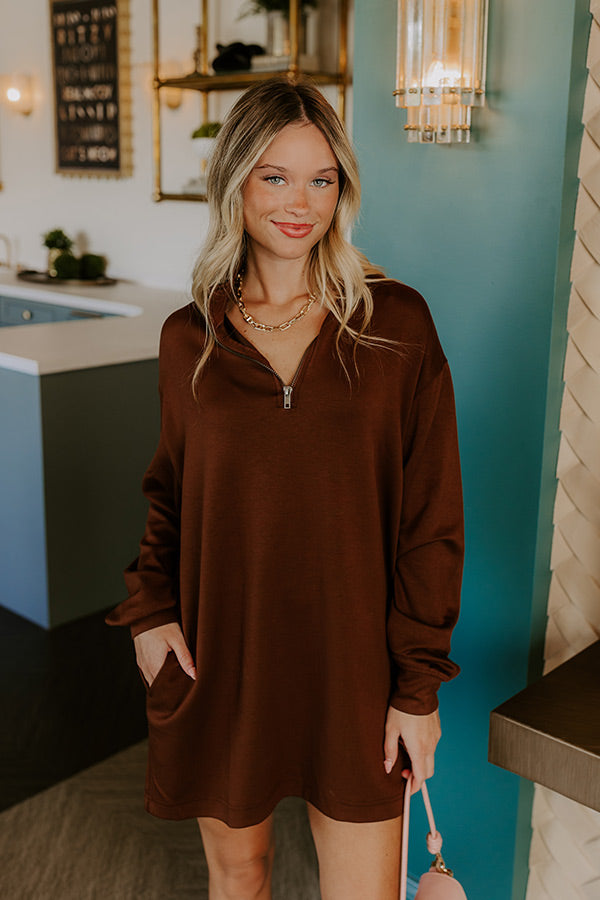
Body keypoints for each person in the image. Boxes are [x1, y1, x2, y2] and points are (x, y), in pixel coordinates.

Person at [106, 75, 464, 900]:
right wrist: (150, 614)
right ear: (235, 181)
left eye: (321, 179)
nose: (300, 203)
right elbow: (170, 493)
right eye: (275, 176)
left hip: (357, 670)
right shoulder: (188, 338)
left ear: (342, 190)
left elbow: (431, 520)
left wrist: (417, 689)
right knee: (240, 877)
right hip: (223, 656)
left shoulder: (397, 325)